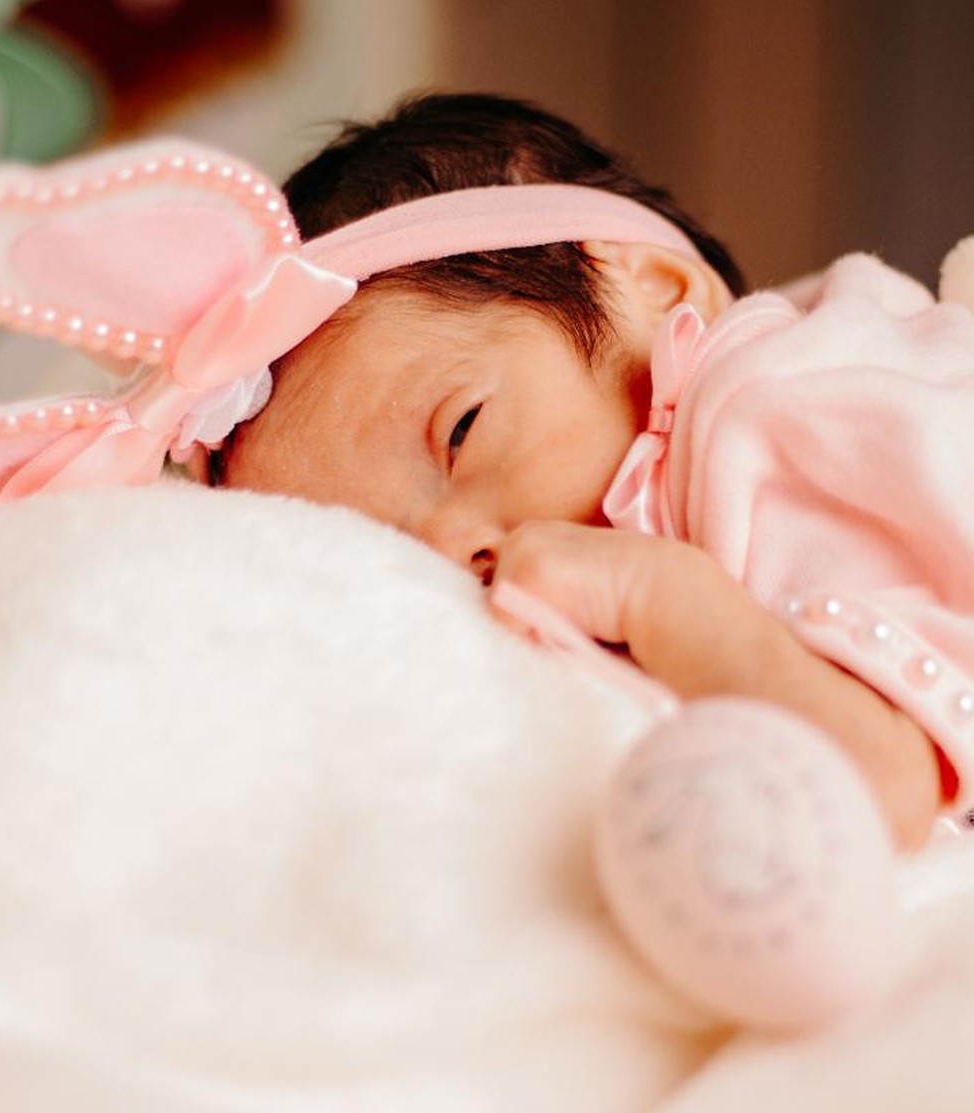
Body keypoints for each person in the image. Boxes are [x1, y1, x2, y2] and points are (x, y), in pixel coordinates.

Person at [204, 92, 974, 853]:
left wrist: (663, 599)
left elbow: (883, 783)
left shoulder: (779, 409)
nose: (455, 551)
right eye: (395, 547)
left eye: (462, 432)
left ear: (657, 289)